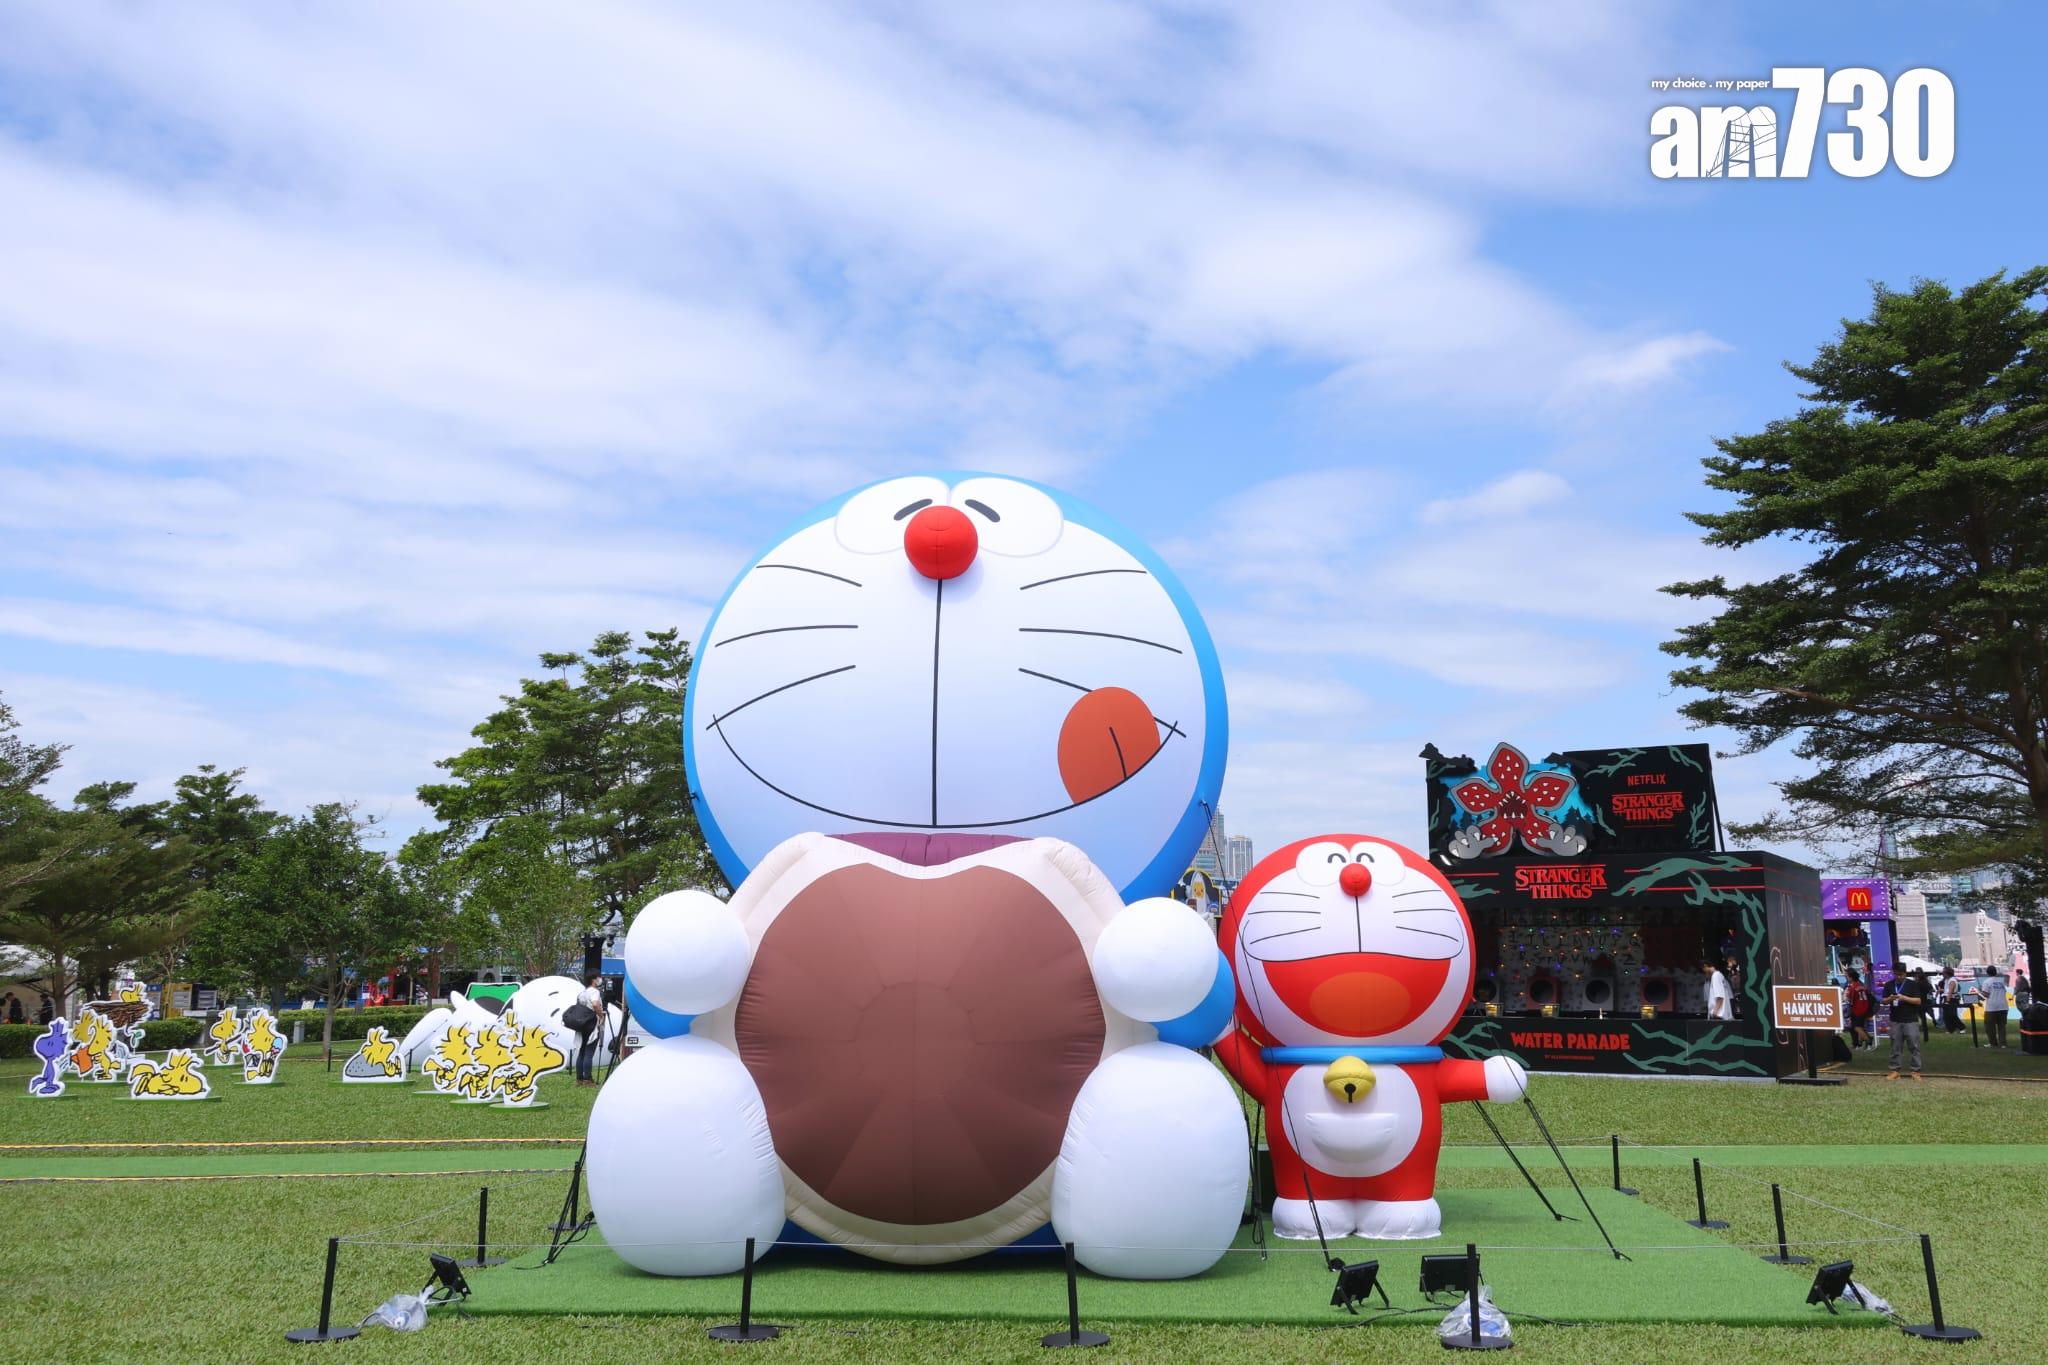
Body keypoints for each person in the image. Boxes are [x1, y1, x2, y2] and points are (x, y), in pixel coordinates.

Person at [1885, 963, 1929, 1081]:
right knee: (1895, 1046)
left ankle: (1916, 1071)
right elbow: (1883, 1001)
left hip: (1910, 1020)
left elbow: (1918, 1001)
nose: (1899, 977)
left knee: (1914, 1046)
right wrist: (1890, 999)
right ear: (1893, 973)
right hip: (1895, 1019)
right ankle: (1895, 1071)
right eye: (1896, 974)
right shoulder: (1889, 985)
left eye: (1901, 974)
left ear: (1905, 973)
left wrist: (1904, 998)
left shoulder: (1912, 984)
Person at [572, 973, 605, 1086]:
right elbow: (595, 1004)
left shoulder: (582, 993)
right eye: (598, 978)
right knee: (589, 1053)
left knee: (581, 1052)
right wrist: (601, 1016)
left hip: (582, 1025)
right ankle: (588, 1079)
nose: (600, 980)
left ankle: (579, 1079)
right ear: (594, 980)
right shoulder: (595, 992)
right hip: (591, 1024)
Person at [1975, 969, 2011, 1049]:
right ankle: (2003, 1044)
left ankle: (1993, 1043)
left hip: (1992, 1007)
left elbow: (1986, 995)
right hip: (2003, 1006)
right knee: (2002, 1026)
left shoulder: (1986, 982)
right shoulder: (2001, 982)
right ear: (1995, 972)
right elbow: (2003, 992)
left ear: (1987, 973)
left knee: (1989, 1026)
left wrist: (1980, 991)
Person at [1843, 968, 1874, 1051]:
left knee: (1856, 1027)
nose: (1846, 978)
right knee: (1859, 1027)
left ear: (1851, 977)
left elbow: (1850, 1000)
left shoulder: (1852, 987)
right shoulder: (1859, 984)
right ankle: (1864, 1041)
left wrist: (1846, 996)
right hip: (1864, 1007)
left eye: (1846, 976)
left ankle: (1868, 1040)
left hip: (1858, 1009)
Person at [1938, 966, 1963, 1033]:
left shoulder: (1952, 980)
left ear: (1947, 973)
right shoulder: (1947, 980)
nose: (1942, 974)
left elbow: (1950, 991)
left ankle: (1962, 1027)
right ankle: (1950, 1029)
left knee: (1952, 1015)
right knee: (1946, 1016)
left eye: (1943, 973)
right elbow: (1947, 990)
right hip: (1946, 997)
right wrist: (1941, 990)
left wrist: (1947, 1001)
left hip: (1951, 999)